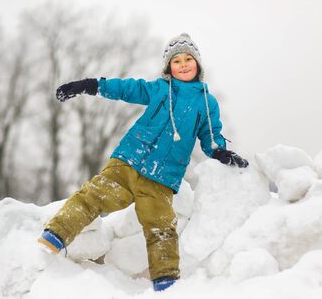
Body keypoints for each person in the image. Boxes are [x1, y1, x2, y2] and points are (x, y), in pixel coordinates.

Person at [38, 33, 249, 292]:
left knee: (161, 227)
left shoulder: (207, 102)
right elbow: (126, 88)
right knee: (92, 196)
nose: (183, 65)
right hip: (127, 162)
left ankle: (166, 281)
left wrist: (221, 152)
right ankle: (56, 234)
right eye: (177, 61)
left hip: (162, 179)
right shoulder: (159, 89)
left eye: (188, 59)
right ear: (168, 67)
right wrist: (88, 85)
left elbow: (210, 135)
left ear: (198, 64)